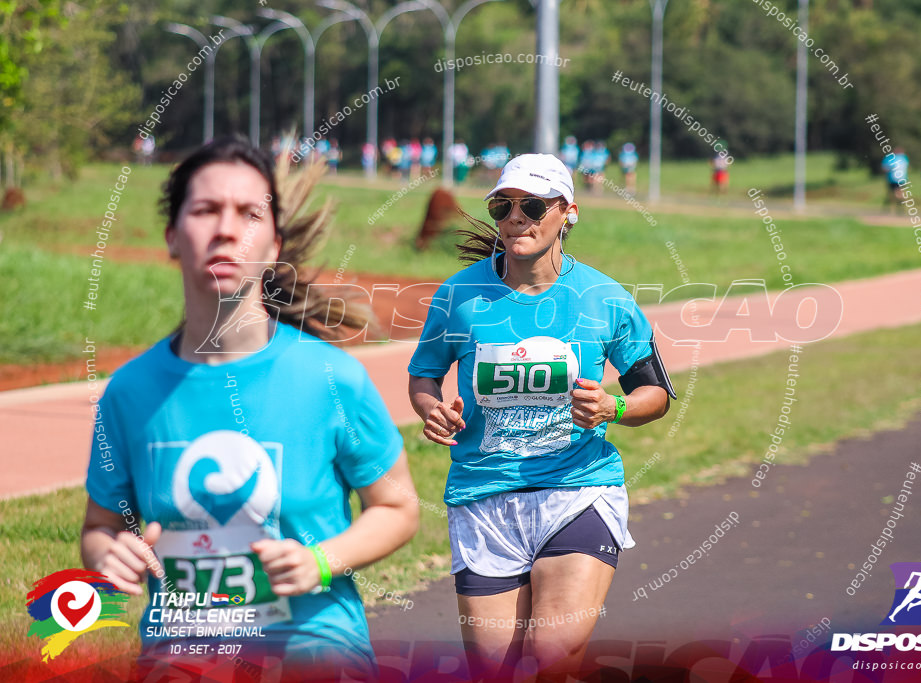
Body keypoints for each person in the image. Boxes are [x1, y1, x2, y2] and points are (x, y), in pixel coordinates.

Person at [80, 136, 419, 681]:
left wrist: (321, 561)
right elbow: (100, 525)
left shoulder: (331, 378)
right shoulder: (130, 392)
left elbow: (399, 508)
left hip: (315, 647)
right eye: (205, 210)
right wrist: (108, 555)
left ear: (274, 242)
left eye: (248, 214)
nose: (226, 229)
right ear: (173, 237)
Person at [407, 154, 675, 680]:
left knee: (552, 660)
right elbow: (423, 377)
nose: (515, 218)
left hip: (577, 491)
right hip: (484, 496)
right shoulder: (460, 295)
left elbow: (655, 393)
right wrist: (432, 410)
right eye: (503, 205)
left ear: (566, 213)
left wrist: (613, 406)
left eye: (532, 206)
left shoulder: (603, 298)